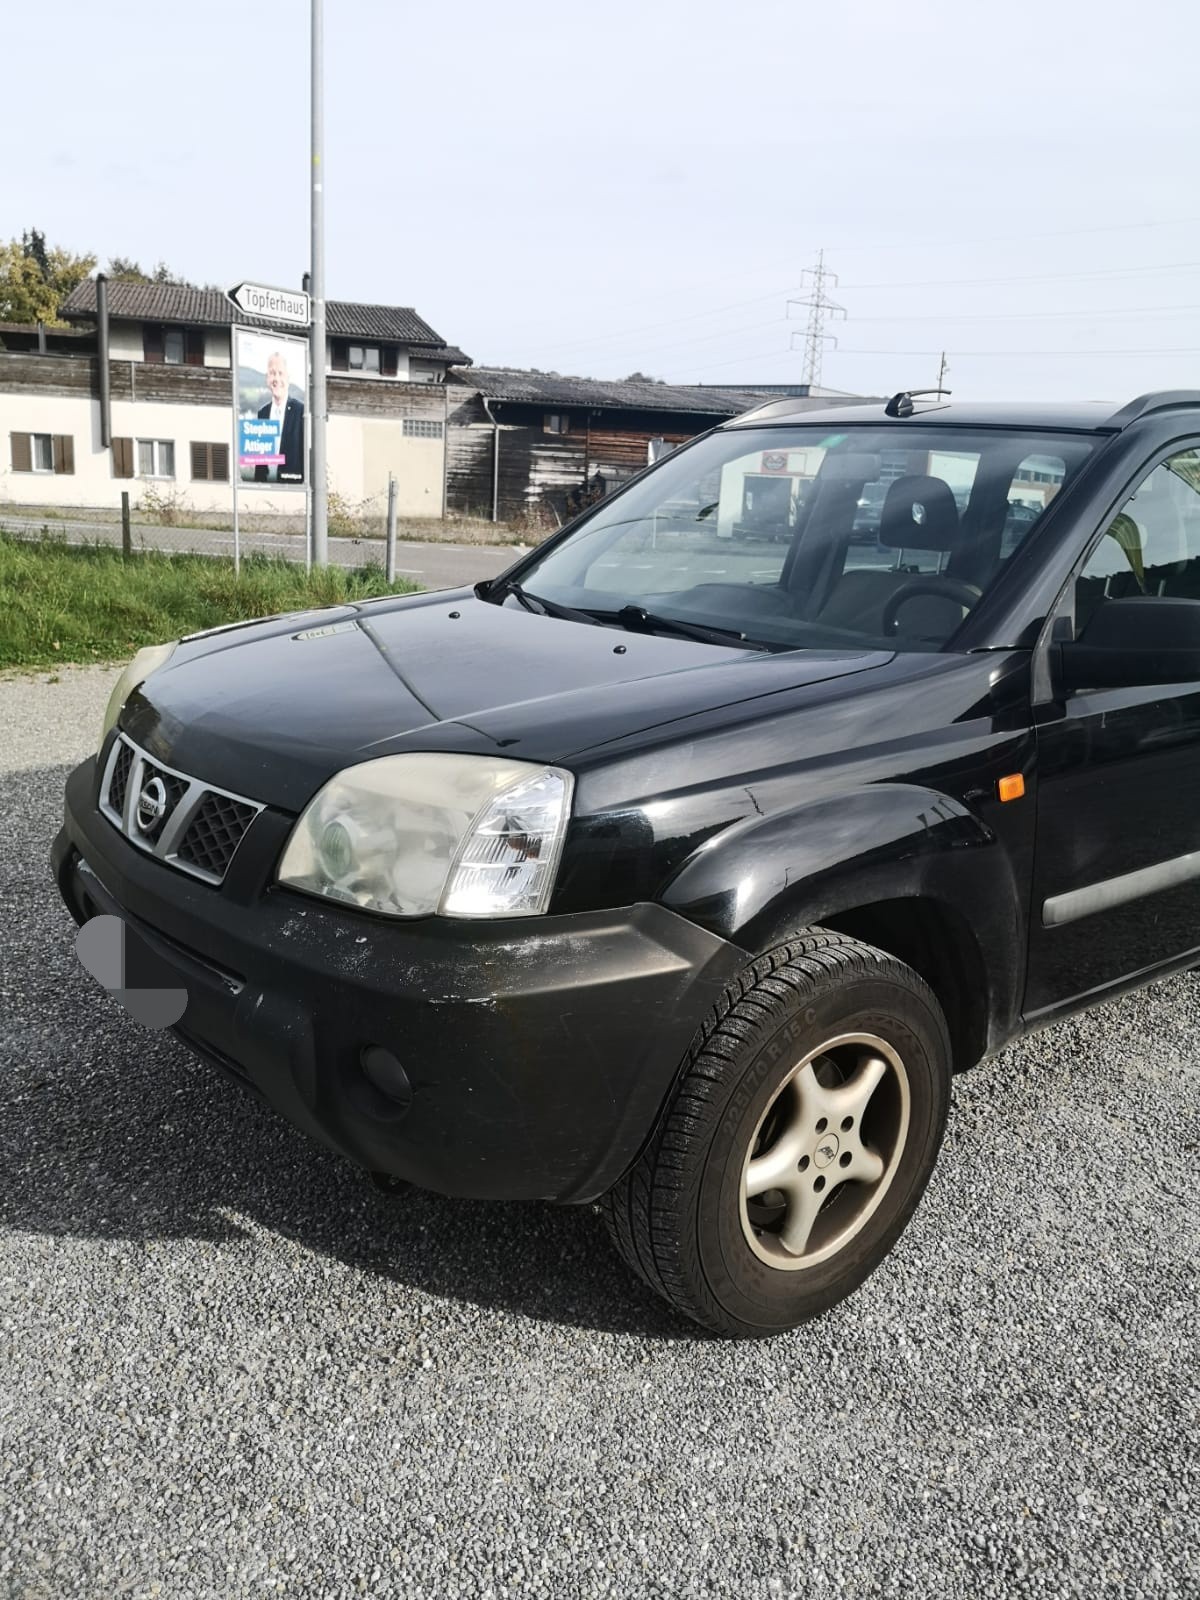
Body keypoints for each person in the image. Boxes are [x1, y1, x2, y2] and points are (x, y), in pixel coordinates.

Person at [253, 350, 304, 483]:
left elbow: (304, 456)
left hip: (293, 487)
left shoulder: (300, 411)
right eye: (272, 373)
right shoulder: (262, 413)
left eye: (280, 373)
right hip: (266, 488)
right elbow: (260, 461)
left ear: (288, 378)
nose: (276, 379)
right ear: (267, 378)